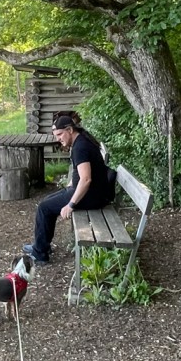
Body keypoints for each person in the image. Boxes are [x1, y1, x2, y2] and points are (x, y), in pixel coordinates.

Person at [23, 111, 111, 265]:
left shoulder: (80, 147)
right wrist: (71, 184)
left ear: (70, 130)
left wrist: (71, 205)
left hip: (90, 196)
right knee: (47, 202)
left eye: (59, 135)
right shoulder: (81, 141)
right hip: (94, 194)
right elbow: (82, 174)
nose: (58, 139)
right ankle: (41, 246)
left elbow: (86, 179)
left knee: (44, 207)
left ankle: (40, 254)